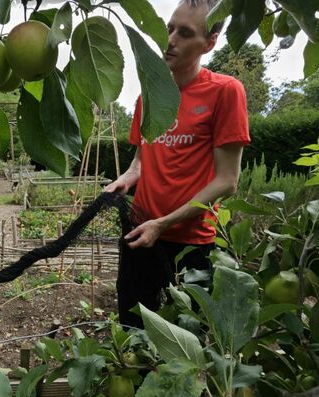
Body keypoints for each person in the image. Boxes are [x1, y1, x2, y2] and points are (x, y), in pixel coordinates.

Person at [105, 0, 250, 328]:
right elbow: (140, 164)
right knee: (132, 330)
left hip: (190, 245)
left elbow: (228, 181)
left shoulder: (226, 92)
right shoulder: (150, 95)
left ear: (209, 43)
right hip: (140, 234)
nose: (170, 39)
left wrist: (164, 223)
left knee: (185, 342)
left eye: (185, 33)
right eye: (170, 28)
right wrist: (124, 180)